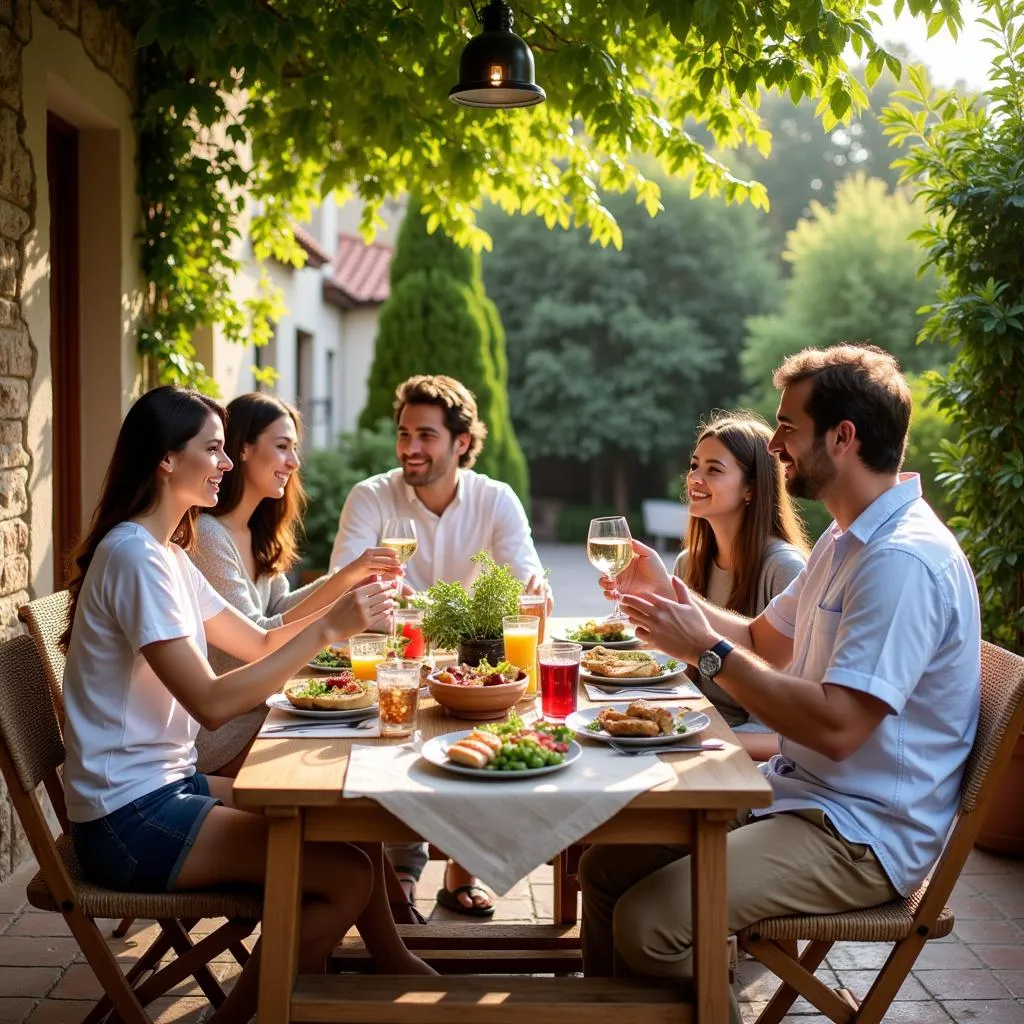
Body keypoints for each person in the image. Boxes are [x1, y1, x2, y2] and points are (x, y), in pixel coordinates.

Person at [580, 344, 980, 1024]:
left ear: (843, 437)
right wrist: (672, 593)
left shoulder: (902, 562)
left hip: (861, 836)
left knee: (651, 924)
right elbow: (764, 639)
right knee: (606, 862)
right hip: (805, 796)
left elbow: (838, 727)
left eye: (788, 425)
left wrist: (702, 650)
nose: (775, 442)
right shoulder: (846, 539)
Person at [60, 386, 432, 1023]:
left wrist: (336, 619)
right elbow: (209, 703)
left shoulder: (169, 555)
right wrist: (326, 630)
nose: (227, 463)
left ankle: (380, 970)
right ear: (165, 461)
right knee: (342, 879)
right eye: (212, 449)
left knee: (351, 830)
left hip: (169, 788)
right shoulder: (134, 559)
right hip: (128, 820)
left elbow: (257, 640)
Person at [331, 373, 551, 918]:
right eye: (404, 434)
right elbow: (344, 584)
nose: (410, 448)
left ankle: (461, 869)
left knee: (482, 738)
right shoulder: (372, 496)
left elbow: (526, 589)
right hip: (394, 658)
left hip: (476, 660)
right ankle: (401, 870)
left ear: (460, 441)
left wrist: (426, 608)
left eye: (426, 436)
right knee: (391, 739)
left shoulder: (495, 499)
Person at [189, 393, 404, 776]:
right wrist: (342, 586)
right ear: (243, 449)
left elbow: (278, 611)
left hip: (265, 708)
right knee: (353, 761)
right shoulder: (209, 535)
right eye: (282, 446)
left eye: (295, 448)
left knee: (368, 747)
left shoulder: (255, 531)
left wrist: (351, 579)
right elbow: (260, 638)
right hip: (227, 732)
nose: (294, 461)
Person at [674, 411, 808, 760]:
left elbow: (784, 720)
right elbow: (683, 679)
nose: (695, 479)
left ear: (751, 488)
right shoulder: (688, 563)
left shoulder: (785, 569)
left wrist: (690, 740)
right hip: (702, 729)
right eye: (694, 466)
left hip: (750, 756)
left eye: (713, 469)